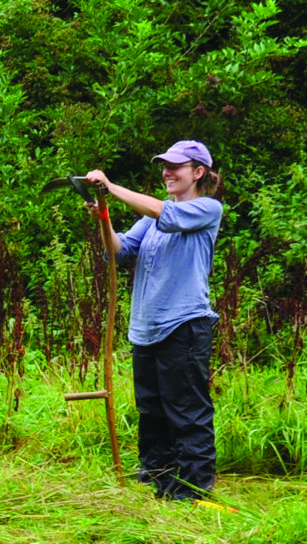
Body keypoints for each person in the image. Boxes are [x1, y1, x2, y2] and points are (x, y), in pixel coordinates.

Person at [88, 142, 222, 501]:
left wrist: (111, 188)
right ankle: (159, 478)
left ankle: (193, 487)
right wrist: (103, 216)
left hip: (184, 325)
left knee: (186, 409)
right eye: (164, 165)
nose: (167, 172)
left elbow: (167, 215)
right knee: (151, 409)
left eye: (176, 166)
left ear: (198, 173)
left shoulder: (207, 209)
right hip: (146, 329)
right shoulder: (149, 220)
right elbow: (117, 252)